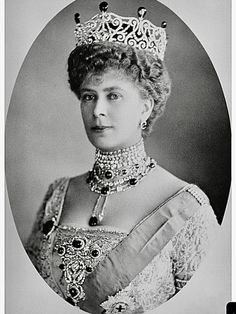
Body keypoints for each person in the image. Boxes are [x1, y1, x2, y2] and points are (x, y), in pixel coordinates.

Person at [26, 3, 219, 314]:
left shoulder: (187, 208)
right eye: (89, 96)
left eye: (113, 95)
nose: (97, 110)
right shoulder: (57, 196)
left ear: (145, 107)